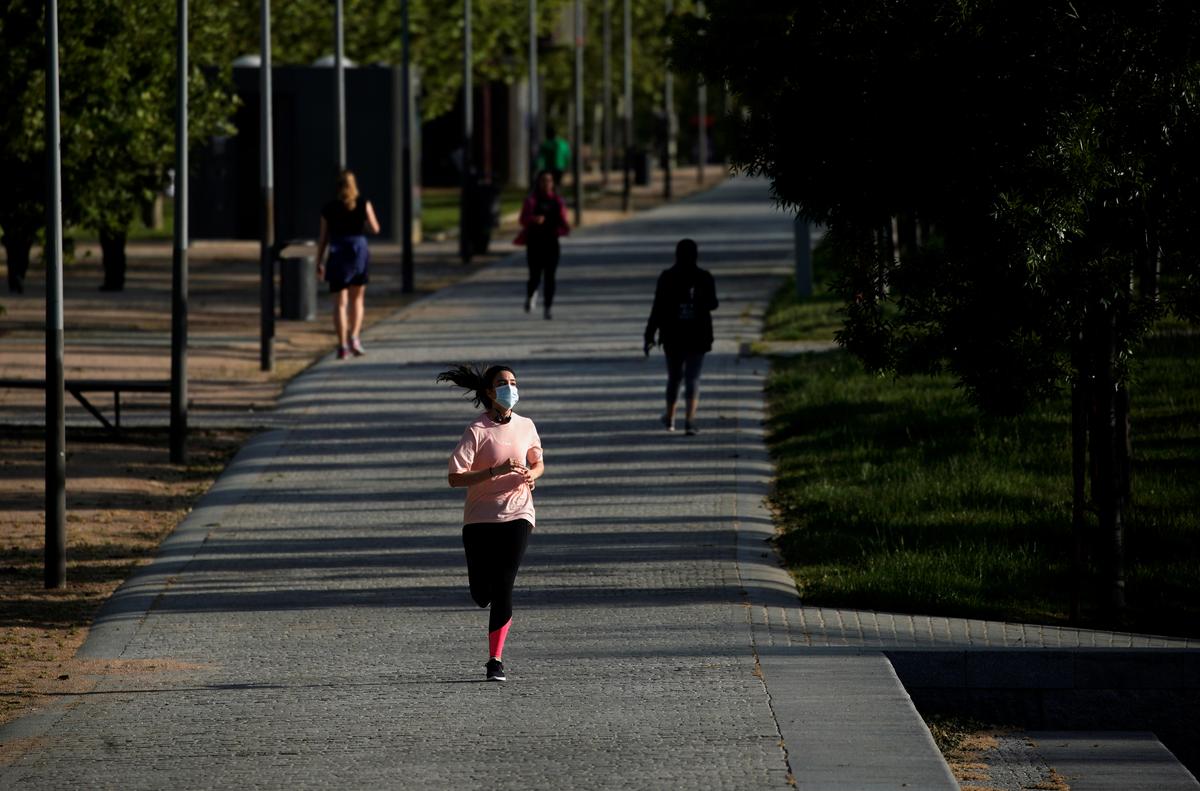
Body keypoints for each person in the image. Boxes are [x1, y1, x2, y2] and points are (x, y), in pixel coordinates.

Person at [438, 363, 545, 682]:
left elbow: (538, 463)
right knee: (481, 591)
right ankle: (483, 594)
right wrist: (493, 472)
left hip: (519, 513)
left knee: (504, 586)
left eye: (513, 382)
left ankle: (495, 660)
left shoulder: (526, 425)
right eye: (502, 383)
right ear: (488, 391)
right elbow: (455, 478)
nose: (510, 388)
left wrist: (531, 474)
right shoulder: (477, 430)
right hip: (480, 519)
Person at [643, 238, 719, 436]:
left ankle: (670, 418)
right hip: (698, 335)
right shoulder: (704, 277)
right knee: (693, 377)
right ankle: (690, 420)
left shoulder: (667, 277)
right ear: (696, 255)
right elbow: (713, 304)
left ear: (676, 255)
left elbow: (657, 308)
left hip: (672, 335)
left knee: (674, 377)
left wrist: (649, 334)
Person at [316, 170, 380, 360]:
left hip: (338, 251)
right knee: (357, 299)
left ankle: (342, 345)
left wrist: (319, 260)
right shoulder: (363, 204)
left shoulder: (328, 208)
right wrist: (364, 223)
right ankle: (355, 337)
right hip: (358, 251)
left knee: (340, 302)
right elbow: (375, 228)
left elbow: (323, 238)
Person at [514, 170, 570, 320]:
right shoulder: (531, 201)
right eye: (543, 180)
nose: (546, 184)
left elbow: (564, 223)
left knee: (550, 276)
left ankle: (548, 307)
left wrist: (560, 228)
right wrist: (533, 220)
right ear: (538, 183)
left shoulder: (557, 201)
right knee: (535, 276)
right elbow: (522, 220)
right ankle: (531, 294)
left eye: (549, 180)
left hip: (551, 243)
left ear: (553, 183)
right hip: (534, 243)